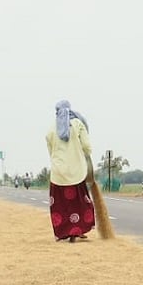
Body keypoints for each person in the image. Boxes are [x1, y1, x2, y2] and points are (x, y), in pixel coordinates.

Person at [45, 99, 95, 242]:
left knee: (60, 204)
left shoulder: (51, 129)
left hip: (58, 174)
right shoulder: (78, 124)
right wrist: (86, 155)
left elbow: (51, 152)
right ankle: (77, 230)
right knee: (80, 202)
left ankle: (64, 232)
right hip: (76, 172)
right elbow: (87, 147)